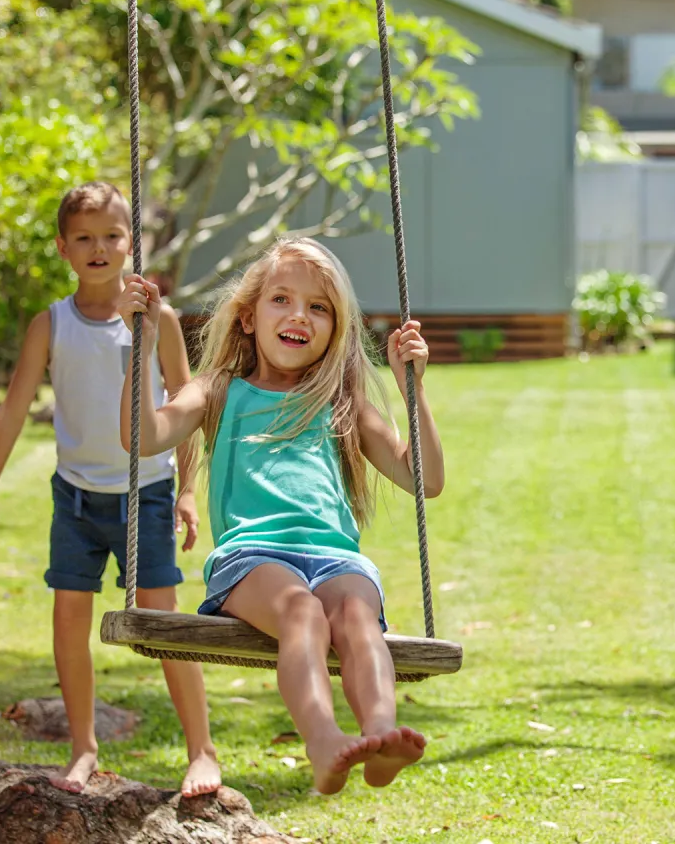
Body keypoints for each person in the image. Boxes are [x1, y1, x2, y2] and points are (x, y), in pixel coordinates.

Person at [115, 237, 443, 795]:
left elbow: (425, 480)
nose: (299, 316)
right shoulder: (219, 390)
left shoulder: (339, 399)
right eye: (282, 300)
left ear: (335, 330)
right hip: (252, 559)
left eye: (319, 308)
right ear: (247, 316)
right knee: (303, 615)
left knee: (359, 622)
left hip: (337, 558)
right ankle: (322, 742)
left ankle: (381, 735)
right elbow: (142, 437)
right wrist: (139, 349)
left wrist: (414, 389)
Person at [0, 182, 220, 797]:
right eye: (84, 238)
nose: (98, 248)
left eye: (111, 236)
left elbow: (186, 404)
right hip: (75, 498)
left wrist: (187, 490)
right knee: (68, 618)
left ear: (131, 243)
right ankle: (83, 747)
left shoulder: (157, 319)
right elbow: (13, 411)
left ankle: (202, 750)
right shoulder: (50, 324)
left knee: (164, 626)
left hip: (146, 495)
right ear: (63, 248)